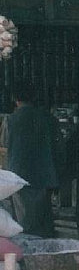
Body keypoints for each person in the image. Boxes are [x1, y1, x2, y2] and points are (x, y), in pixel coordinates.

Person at [0, 84, 58, 237]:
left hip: (20, 174)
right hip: (45, 173)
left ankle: (30, 253)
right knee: (44, 216)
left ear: (14, 99)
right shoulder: (47, 118)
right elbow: (58, 146)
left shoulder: (11, 120)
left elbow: (4, 147)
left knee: (25, 220)